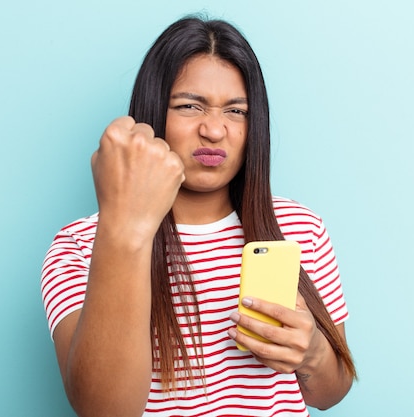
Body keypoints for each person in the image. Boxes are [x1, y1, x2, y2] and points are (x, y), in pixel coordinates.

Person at [41, 15, 356, 417]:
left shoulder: (301, 228)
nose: (214, 130)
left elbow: (330, 394)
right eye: (190, 106)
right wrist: (127, 227)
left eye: (236, 111)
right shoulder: (80, 247)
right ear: (154, 112)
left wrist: (311, 353)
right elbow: (104, 410)